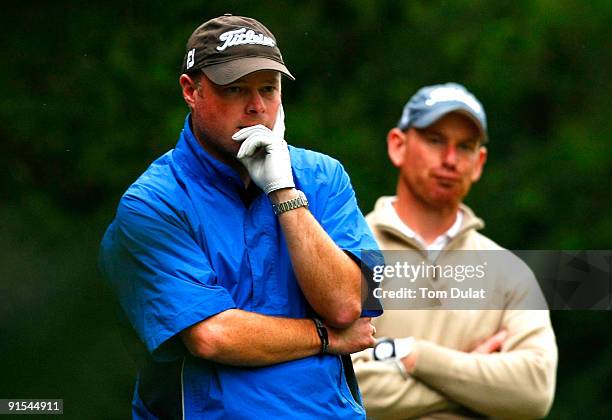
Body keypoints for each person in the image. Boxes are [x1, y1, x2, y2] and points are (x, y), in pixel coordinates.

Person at [99, 14, 380, 419]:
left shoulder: (323, 176)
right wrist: (326, 337)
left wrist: (283, 192)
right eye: (235, 89)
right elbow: (212, 336)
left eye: (269, 88)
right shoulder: (151, 203)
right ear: (191, 91)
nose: (257, 107)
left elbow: (346, 306)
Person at [352, 83, 558, 419]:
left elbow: (534, 391)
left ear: (479, 163)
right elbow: (340, 387)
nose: (450, 160)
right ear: (398, 146)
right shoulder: (350, 251)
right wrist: (474, 380)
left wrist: (414, 355)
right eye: (435, 140)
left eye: (464, 147)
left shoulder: (509, 272)